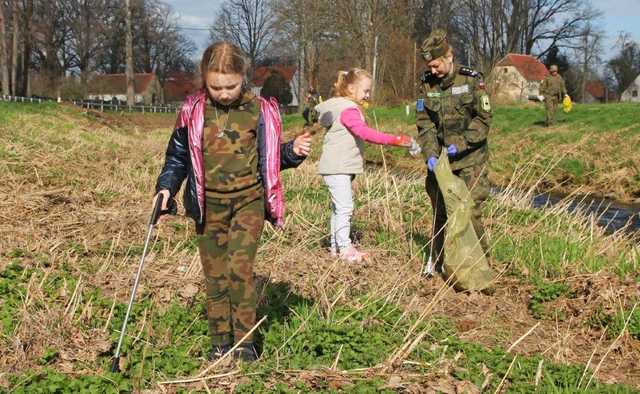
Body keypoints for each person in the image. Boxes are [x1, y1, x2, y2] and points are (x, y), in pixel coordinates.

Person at [153, 42, 312, 362]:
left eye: (231, 86)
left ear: (244, 77)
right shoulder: (193, 110)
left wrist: (292, 152)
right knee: (216, 276)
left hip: (248, 203)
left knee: (239, 270)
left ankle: (245, 342)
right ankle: (220, 341)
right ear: (204, 79)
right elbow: (178, 156)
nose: (223, 93)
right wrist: (166, 187)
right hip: (208, 206)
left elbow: (270, 158)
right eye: (215, 87)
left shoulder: (261, 110)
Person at [315, 68, 414, 263]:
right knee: (345, 207)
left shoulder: (338, 106)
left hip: (335, 166)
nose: (368, 95)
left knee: (338, 208)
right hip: (339, 167)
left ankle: (335, 248)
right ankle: (345, 248)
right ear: (351, 89)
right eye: (365, 91)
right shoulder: (349, 110)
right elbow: (365, 133)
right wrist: (393, 139)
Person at [415, 30, 492, 275]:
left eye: (436, 64)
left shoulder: (471, 80)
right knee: (439, 211)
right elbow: (425, 123)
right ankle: (436, 263)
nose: (434, 70)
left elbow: (484, 119)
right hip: (441, 162)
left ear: (449, 56)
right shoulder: (427, 83)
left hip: (470, 159)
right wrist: (430, 153)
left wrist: (460, 143)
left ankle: (480, 267)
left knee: (470, 212)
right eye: (430, 66)